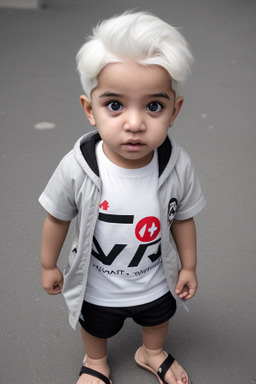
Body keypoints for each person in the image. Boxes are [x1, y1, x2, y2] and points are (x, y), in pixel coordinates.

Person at [39, 11, 206, 384]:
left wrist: (189, 266)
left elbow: (183, 218)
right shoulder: (77, 167)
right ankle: (96, 362)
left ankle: (151, 352)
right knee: (95, 326)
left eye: (153, 106)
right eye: (115, 105)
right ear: (90, 110)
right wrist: (49, 263)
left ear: (174, 111)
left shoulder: (176, 166)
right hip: (97, 283)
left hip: (154, 277)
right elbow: (57, 215)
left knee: (158, 317)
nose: (134, 123)